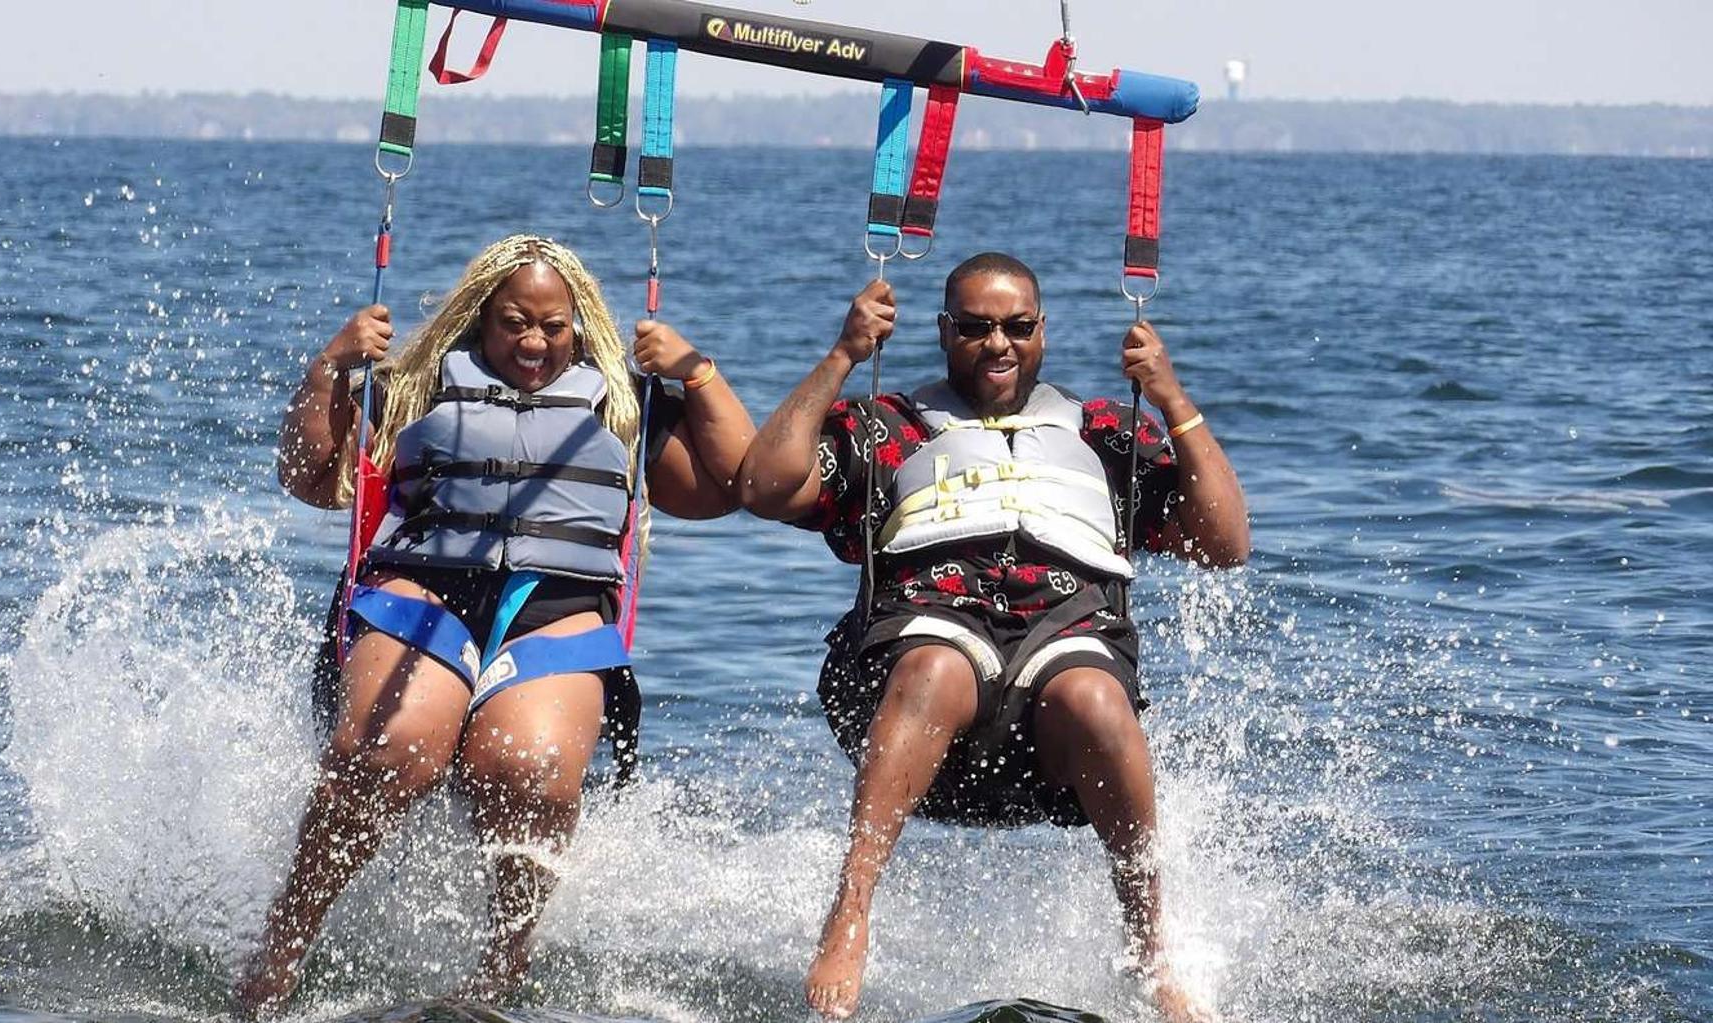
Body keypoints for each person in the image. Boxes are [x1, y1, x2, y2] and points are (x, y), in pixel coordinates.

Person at [236, 234, 754, 1013]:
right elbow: (310, 479)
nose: (533, 342)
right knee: (390, 746)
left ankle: (499, 968)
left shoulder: (623, 404)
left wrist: (697, 373)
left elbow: (738, 481)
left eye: (552, 325)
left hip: (555, 609)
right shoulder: (415, 389)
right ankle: (283, 943)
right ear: (482, 317)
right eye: (515, 322)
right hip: (426, 592)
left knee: (532, 768)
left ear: (578, 326)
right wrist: (329, 369)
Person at [738, 252, 1249, 1022]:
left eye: (1017, 326)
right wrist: (843, 355)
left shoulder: (1105, 431)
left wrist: (1172, 397)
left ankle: (1150, 946)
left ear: (1043, 330)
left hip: (1064, 647)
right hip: (924, 644)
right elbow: (763, 486)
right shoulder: (890, 425)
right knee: (938, 667)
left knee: (1095, 698)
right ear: (945, 331)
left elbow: (1226, 543)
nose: (998, 343)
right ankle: (850, 910)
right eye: (976, 328)